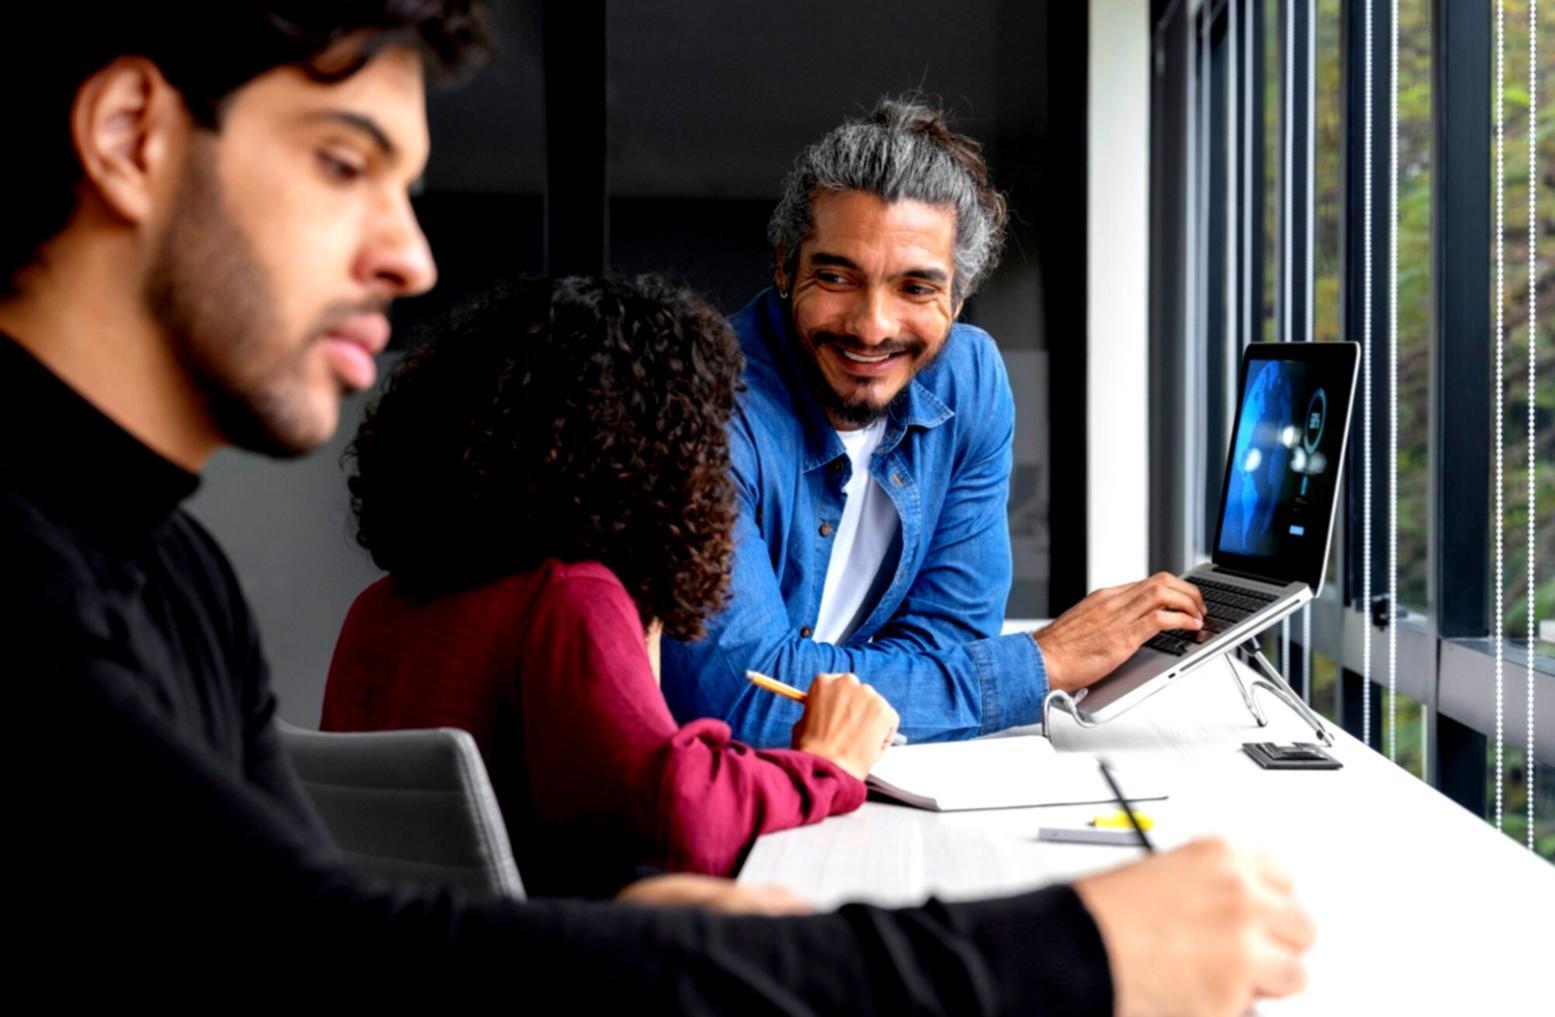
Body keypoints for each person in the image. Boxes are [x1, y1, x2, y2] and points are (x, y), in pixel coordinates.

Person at [2, 4, 1314, 1011]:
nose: (408, 255)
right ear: (129, 136)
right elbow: (350, 958)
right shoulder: (23, 580)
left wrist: (683, 924)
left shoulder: (170, 570)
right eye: (345, 162)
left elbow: (331, 931)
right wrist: (1068, 951)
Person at [321, 275, 898, 898]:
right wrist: (825, 766)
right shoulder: (569, 600)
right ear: (646, 453)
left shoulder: (375, 612)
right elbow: (682, 816)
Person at [661, 100, 1213, 747]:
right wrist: (1041, 665)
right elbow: (746, 699)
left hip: (856, 776)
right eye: (836, 277)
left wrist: (884, 692)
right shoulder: (701, 406)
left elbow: (951, 635)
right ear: (784, 264)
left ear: (960, 288)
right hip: (710, 811)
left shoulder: (969, 381)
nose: (871, 326)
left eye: (915, 288)